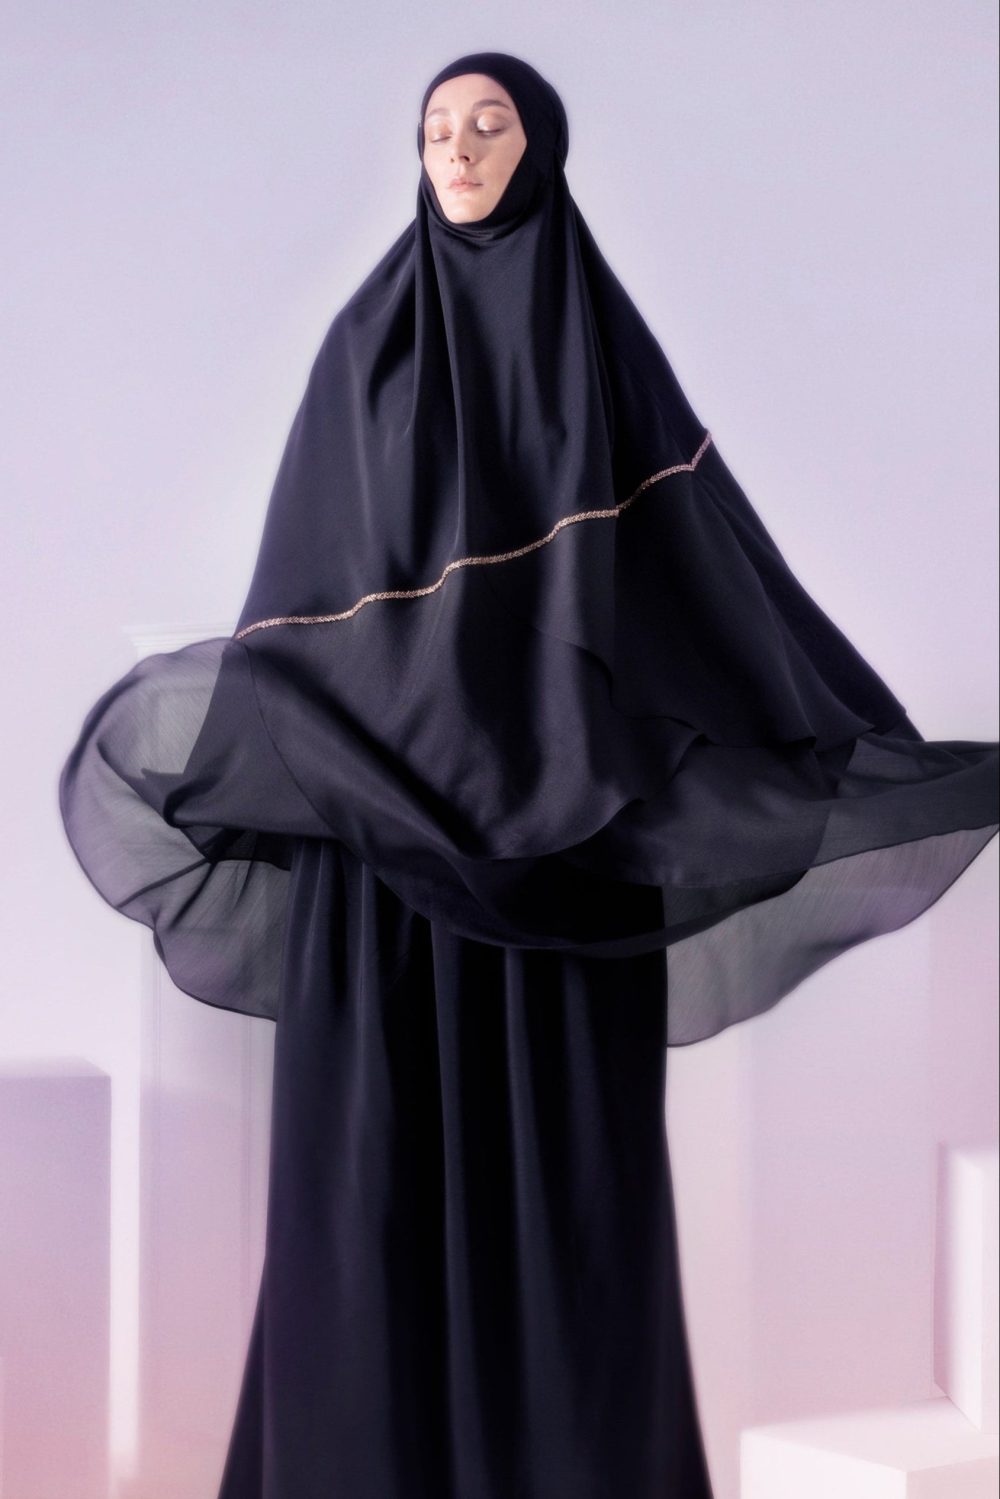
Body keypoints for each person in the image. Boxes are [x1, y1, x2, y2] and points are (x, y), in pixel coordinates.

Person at [58, 50, 998, 1499]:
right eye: (437, 128)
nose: (459, 149)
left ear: (540, 148)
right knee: (366, 1214)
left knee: (571, 1215)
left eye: (489, 125)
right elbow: (305, 608)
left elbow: (706, 591)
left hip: (564, 870)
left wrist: (791, 744)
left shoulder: (603, 362)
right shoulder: (364, 352)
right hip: (383, 871)